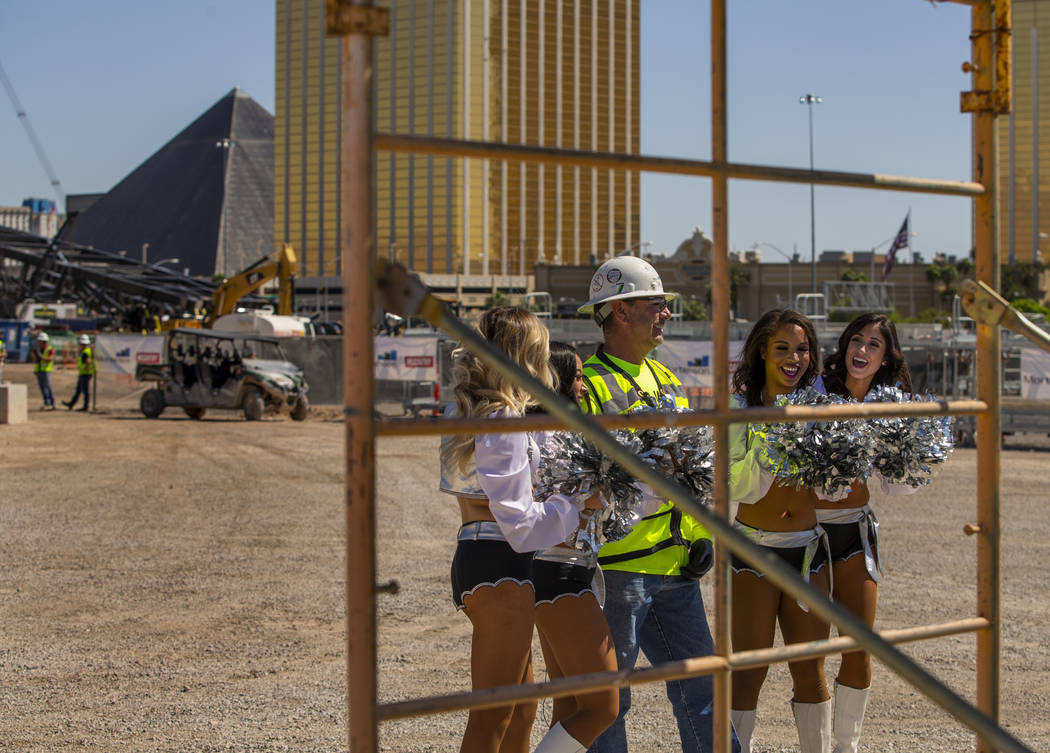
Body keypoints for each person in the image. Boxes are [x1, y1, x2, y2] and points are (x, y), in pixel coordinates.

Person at [576, 256, 735, 753]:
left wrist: (701, 534)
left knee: (704, 689)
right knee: (609, 703)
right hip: (617, 571)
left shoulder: (665, 379)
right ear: (619, 312)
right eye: (657, 304)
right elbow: (579, 478)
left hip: (675, 566)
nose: (666, 313)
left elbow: (691, 469)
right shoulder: (588, 384)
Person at [439, 307, 604, 753]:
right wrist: (576, 506)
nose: (549, 365)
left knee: (519, 713)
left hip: (492, 561)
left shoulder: (482, 412)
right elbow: (520, 526)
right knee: (495, 715)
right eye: (542, 353)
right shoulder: (503, 418)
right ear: (525, 356)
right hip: (499, 563)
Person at [728, 308, 831, 753]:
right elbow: (734, 484)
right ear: (762, 353)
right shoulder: (738, 410)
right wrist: (773, 437)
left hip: (808, 553)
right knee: (749, 672)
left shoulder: (820, 408)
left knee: (810, 669)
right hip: (754, 551)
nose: (794, 358)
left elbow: (832, 489)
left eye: (802, 349)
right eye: (783, 348)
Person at [818, 313, 915, 753]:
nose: (862, 350)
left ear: (885, 358)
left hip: (854, 530)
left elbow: (895, 488)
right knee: (808, 653)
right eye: (856, 340)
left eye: (873, 345)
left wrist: (903, 445)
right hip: (805, 534)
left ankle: (846, 747)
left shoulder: (888, 402)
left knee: (859, 646)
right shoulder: (816, 390)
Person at [532, 341, 619, 749]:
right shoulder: (545, 435)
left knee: (568, 706)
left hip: (571, 567)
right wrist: (592, 497)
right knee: (603, 707)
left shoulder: (564, 430)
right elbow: (548, 502)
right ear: (559, 379)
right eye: (579, 376)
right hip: (558, 569)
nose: (584, 386)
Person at [63, 334, 96, 411]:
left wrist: (85, 369)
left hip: (85, 374)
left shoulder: (85, 352)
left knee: (85, 390)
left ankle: (85, 406)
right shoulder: (86, 351)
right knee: (79, 390)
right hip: (84, 373)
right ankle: (72, 403)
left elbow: (88, 362)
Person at [31, 332, 56, 410]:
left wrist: (42, 357)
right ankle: (47, 402)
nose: (38, 342)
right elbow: (36, 360)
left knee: (47, 386)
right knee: (42, 387)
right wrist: (34, 356)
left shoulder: (49, 349)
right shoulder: (39, 349)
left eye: (40, 341)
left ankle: (52, 402)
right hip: (39, 370)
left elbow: (51, 358)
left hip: (46, 370)